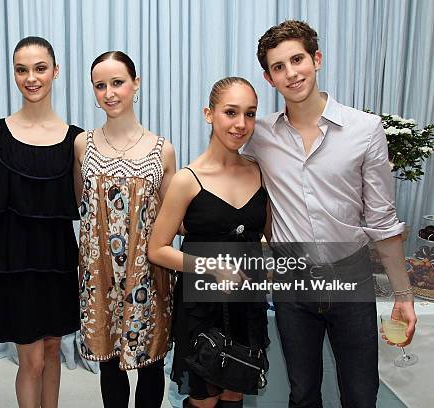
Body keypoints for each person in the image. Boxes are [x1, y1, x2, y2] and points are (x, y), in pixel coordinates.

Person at [242, 20, 417, 407]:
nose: (291, 73)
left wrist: (403, 293)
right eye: (278, 67)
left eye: (297, 59)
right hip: (292, 283)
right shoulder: (259, 135)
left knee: (360, 394)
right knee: (302, 393)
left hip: (351, 277)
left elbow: (382, 221)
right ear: (269, 78)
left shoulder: (365, 129)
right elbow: (231, 180)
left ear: (316, 59)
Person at [148, 77, 269, 408]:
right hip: (202, 306)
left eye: (250, 113)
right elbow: (157, 249)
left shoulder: (260, 173)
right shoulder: (188, 180)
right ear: (209, 114)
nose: (240, 124)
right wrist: (209, 267)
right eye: (231, 112)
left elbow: (270, 237)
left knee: (235, 395)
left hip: (247, 303)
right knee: (205, 400)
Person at [0, 37, 81, 408]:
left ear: (55, 72)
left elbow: (80, 201)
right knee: (32, 359)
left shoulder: (76, 139)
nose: (31, 78)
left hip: (57, 259)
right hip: (15, 259)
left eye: (40, 68)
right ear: (14, 74)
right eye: (22, 70)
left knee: (53, 348)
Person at [74, 51, 176, 408]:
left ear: (136, 84)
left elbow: (171, 218)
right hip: (99, 274)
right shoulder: (83, 145)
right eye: (100, 85)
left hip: (147, 273)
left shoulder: (162, 150)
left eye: (117, 82)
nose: (109, 93)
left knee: (151, 363)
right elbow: (82, 205)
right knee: (109, 365)